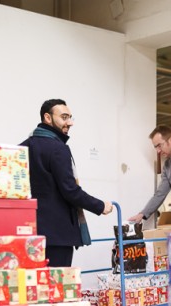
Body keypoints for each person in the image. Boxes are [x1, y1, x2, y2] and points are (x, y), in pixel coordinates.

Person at [22, 99, 112, 267]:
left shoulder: (23, 146)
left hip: (27, 232)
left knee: (33, 287)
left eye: (70, 117)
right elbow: (70, 190)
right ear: (47, 118)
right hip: (57, 235)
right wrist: (100, 206)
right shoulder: (58, 148)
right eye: (64, 117)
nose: (69, 123)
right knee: (56, 287)